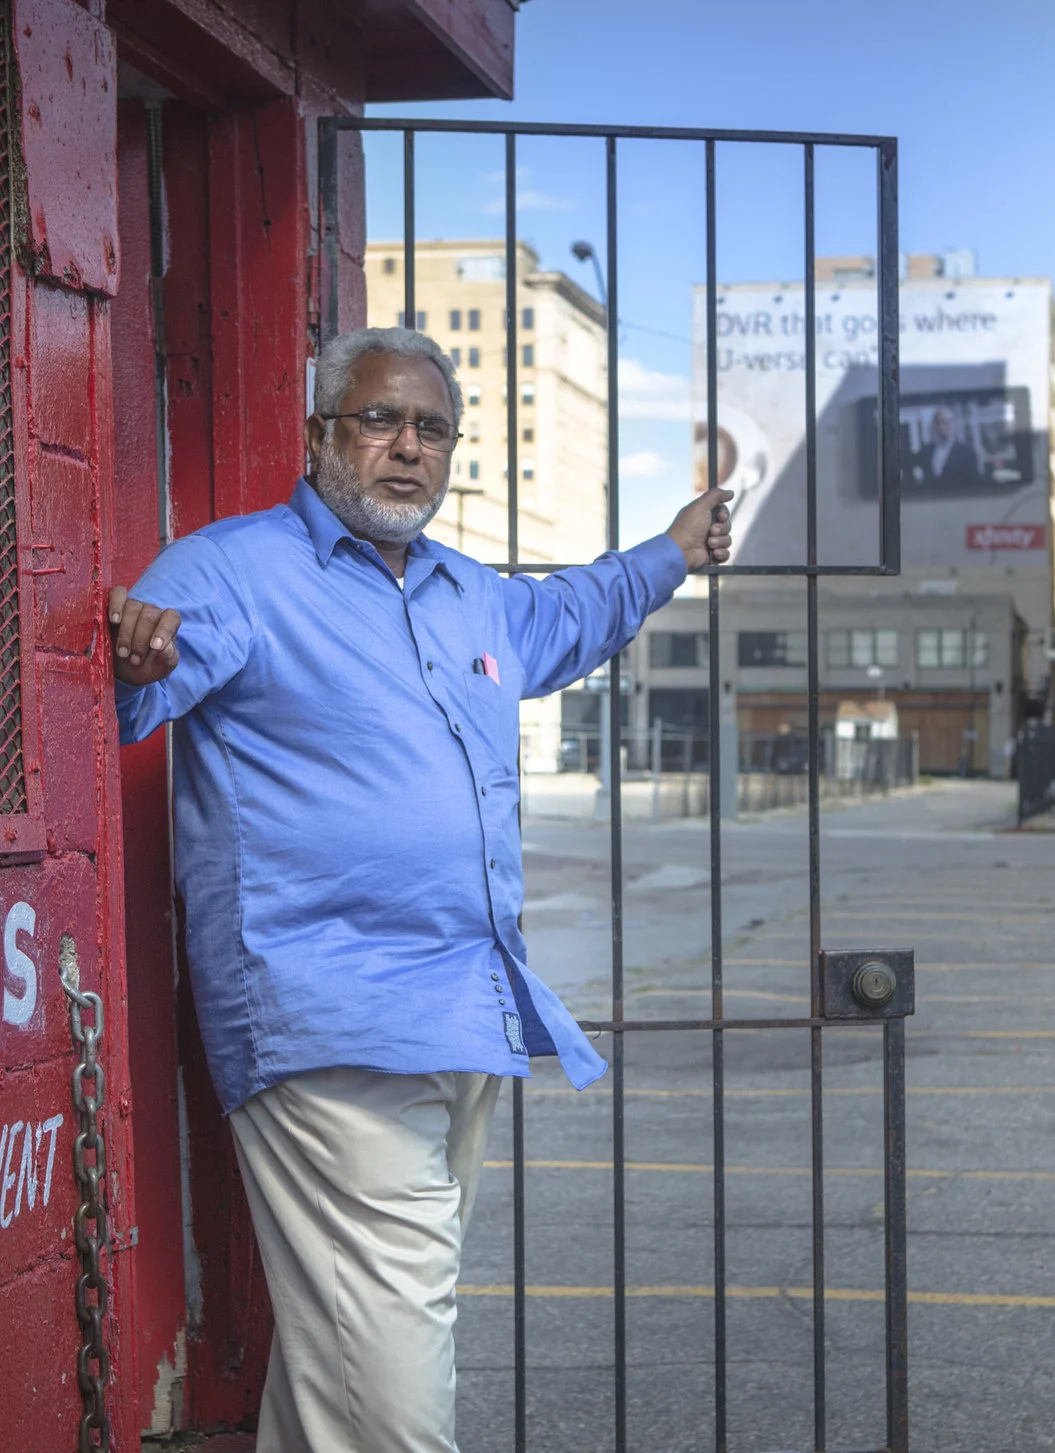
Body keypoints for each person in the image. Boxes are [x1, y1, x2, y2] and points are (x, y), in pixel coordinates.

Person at [108, 326, 731, 1453]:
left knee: (348, 1354)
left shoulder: (468, 596)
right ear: (318, 435)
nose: (408, 447)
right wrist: (130, 661)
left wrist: (672, 552)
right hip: (330, 1025)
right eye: (380, 420)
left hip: (464, 1016)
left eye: (432, 428)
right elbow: (116, 698)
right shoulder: (231, 570)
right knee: (396, 1382)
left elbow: (578, 611)